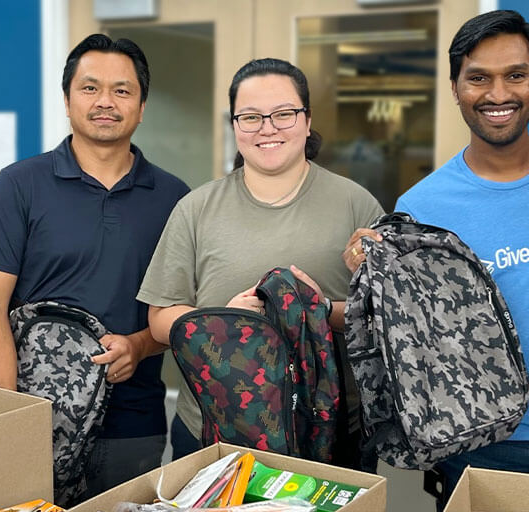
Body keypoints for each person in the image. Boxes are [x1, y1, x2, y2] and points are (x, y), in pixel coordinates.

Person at [346, 10, 529, 509]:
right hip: (481, 443)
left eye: (516, 75)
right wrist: (369, 283)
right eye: (478, 78)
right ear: (456, 88)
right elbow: (412, 344)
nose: (498, 94)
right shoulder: (422, 209)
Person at [0, 34, 189, 503]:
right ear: (67, 100)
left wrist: (139, 345)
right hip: (35, 416)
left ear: (142, 106)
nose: (105, 102)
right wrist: (13, 414)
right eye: (90, 88)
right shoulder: (19, 185)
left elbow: (180, 310)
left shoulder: (174, 198)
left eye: (122, 90)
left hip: (133, 421)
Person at [137, 58, 384, 467]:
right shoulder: (195, 209)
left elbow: (384, 320)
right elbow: (161, 318)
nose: (267, 128)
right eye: (251, 117)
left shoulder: (355, 205)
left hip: (329, 432)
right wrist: (222, 324)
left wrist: (321, 311)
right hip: (213, 430)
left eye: (284, 114)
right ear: (234, 126)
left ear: (307, 121)